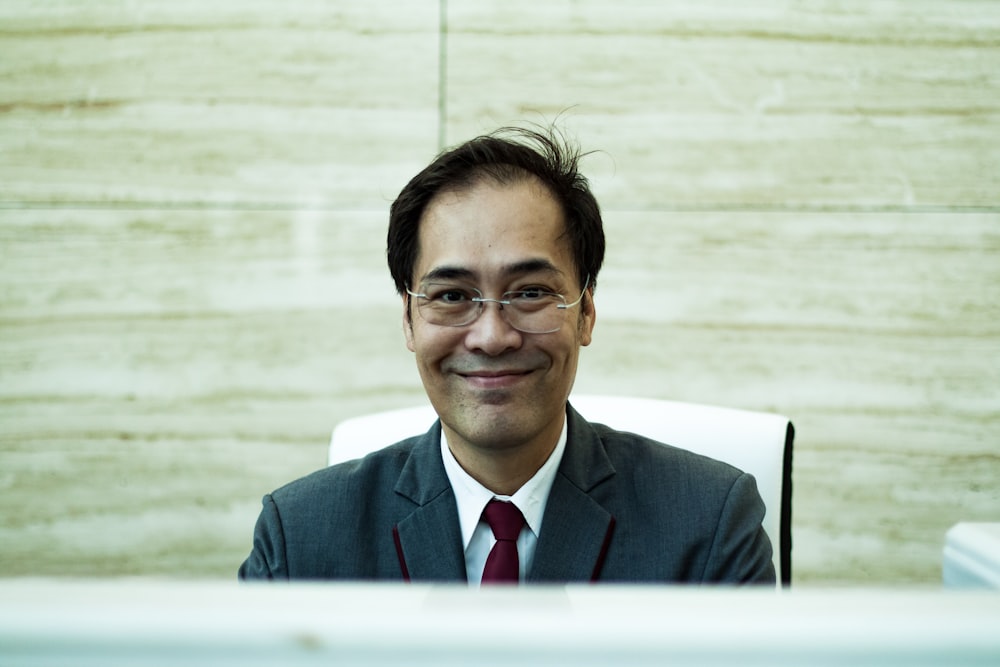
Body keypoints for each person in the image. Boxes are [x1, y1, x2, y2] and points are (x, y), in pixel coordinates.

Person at [238, 126, 774, 585]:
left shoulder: (708, 523)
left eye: (530, 292)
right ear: (408, 319)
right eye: (451, 296)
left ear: (585, 312)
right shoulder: (300, 537)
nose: (492, 337)